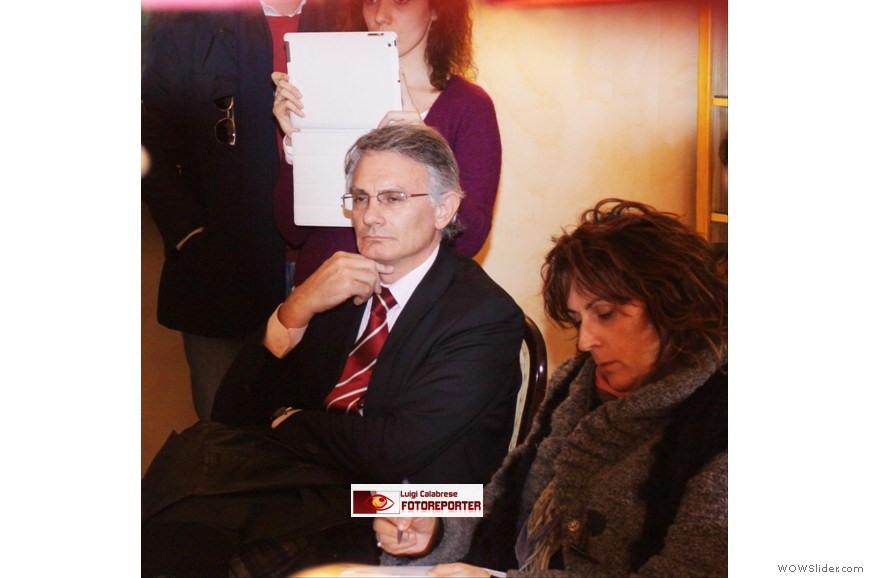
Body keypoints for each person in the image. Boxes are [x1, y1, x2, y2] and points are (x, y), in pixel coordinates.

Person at [141, 124, 525, 577]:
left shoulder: (482, 314)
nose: (370, 216)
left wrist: (291, 421)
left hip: (413, 505)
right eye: (360, 198)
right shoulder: (341, 285)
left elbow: (391, 451)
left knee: (214, 534)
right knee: (186, 490)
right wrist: (295, 309)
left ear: (444, 209)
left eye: (392, 198)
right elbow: (231, 412)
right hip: (315, 478)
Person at [324, 198, 728, 577]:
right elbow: (502, 496)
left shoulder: (719, 422)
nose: (585, 341)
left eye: (605, 314)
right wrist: (435, 525)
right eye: (577, 320)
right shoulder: (578, 382)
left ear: (672, 304)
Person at [140, 0, 336, 420]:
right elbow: (148, 138)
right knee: (223, 426)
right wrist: (188, 232)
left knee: (312, 429)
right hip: (218, 264)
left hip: (324, 261)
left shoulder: (347, 18)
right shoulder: (190, 23)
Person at [271, 0, 501, 286]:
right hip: (324, 290)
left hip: (413, 301)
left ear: (437, 8)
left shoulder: (468, 106)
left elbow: (470, 239)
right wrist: (295, 145)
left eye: (400, 1)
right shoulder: (332, 92)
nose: (380, 15)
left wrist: (425, 148)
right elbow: (292, 231)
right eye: (371, 1)